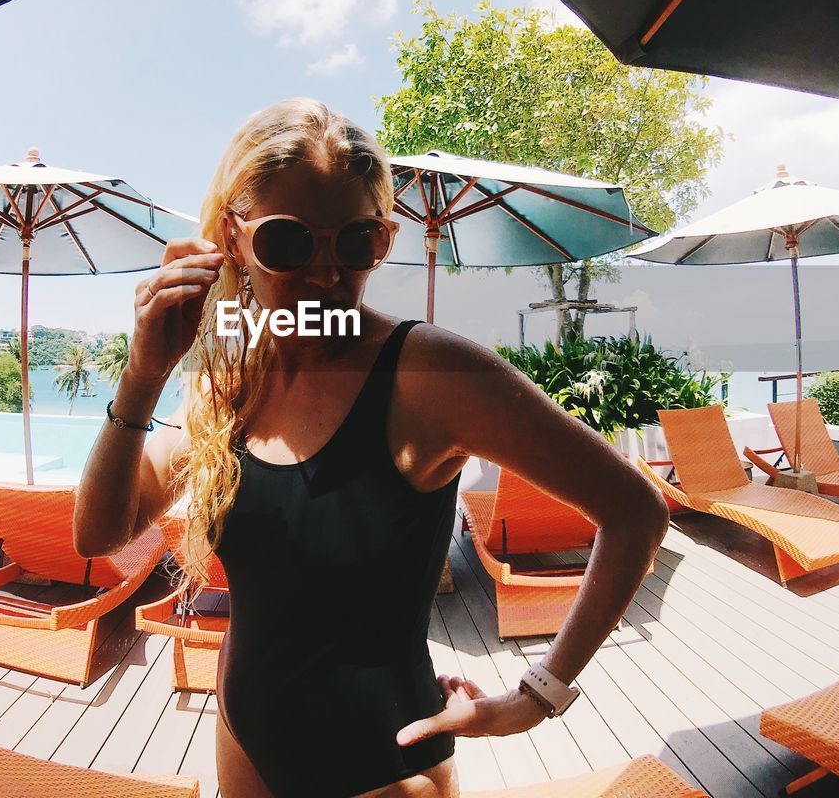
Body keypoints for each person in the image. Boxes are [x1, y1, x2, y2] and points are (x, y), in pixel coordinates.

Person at [74, 98, 668, 798]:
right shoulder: (228, 387)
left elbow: (635, 511)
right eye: (289, 242)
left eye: (356, 242)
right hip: (245, 734)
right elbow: (101, 533)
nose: (326, 274)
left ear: (382, 240)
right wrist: (143, 376)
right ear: (234, 241)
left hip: (387, 764)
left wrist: (539, 693)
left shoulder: (429, 375)